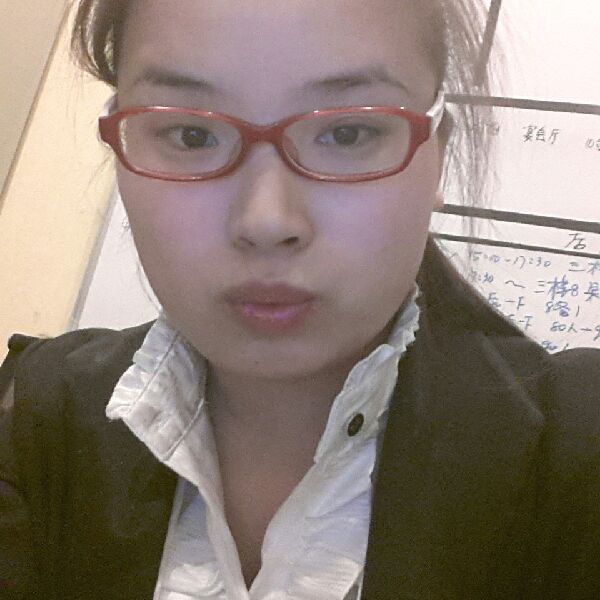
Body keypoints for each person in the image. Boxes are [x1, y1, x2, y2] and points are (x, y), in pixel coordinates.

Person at [1, 1, 600, 598]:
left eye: (347, 133)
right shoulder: (34, 415)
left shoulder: (579, 454)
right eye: (192, 134)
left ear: (437, 150)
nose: (266, 221)